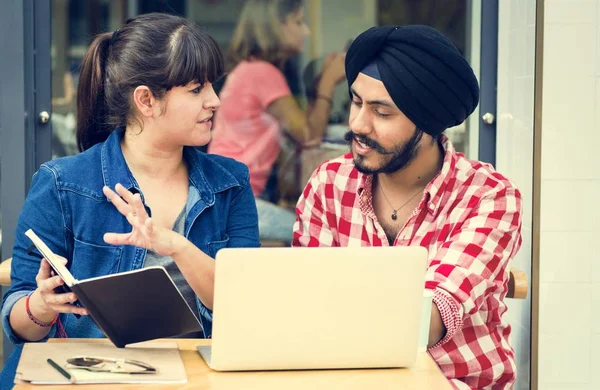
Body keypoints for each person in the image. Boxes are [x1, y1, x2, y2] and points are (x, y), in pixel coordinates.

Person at [0, 12, 259, 386]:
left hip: (197, 378)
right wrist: (40, 306)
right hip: (87, 376)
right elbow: (19, 322)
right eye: (196, 89)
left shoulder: (230, 183)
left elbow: (244, 305)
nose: (215, 101)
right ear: (146, 100)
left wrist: (176, 246)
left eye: (212, 87)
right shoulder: (62, 184)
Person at [293, 25, 522, 389]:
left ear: (427, 124)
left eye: (381, 113)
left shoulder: (487, 196)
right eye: (355, 102)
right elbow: (306, 305)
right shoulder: (329, 184)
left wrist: (330, 314)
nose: (357, 124)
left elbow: (427, 322)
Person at [208, 0, 346, 243]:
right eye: (298, 21)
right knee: (319, 231)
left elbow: (301, 126)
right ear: (275, 26)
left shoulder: (250, 70)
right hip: (234, 200)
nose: (307, 31)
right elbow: (309, 135)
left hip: (224, 194)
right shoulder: (263, 73)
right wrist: (328, 81)